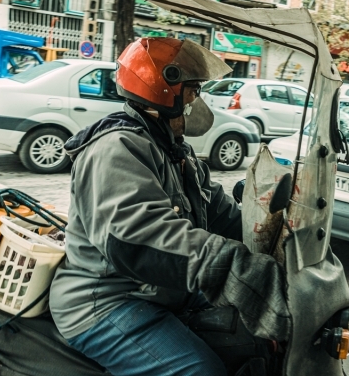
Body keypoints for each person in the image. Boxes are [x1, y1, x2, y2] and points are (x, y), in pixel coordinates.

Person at [50, 37, 291, 376]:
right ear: (163, 92)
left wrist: (278, 241)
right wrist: (233, 266)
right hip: (106, 301)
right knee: (201, 371)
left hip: (159, 291)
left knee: (250, 335)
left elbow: (220, 214)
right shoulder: (117, 148)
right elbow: (138, 236)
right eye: (193, 91)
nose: (197, 101)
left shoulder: (176, 153)